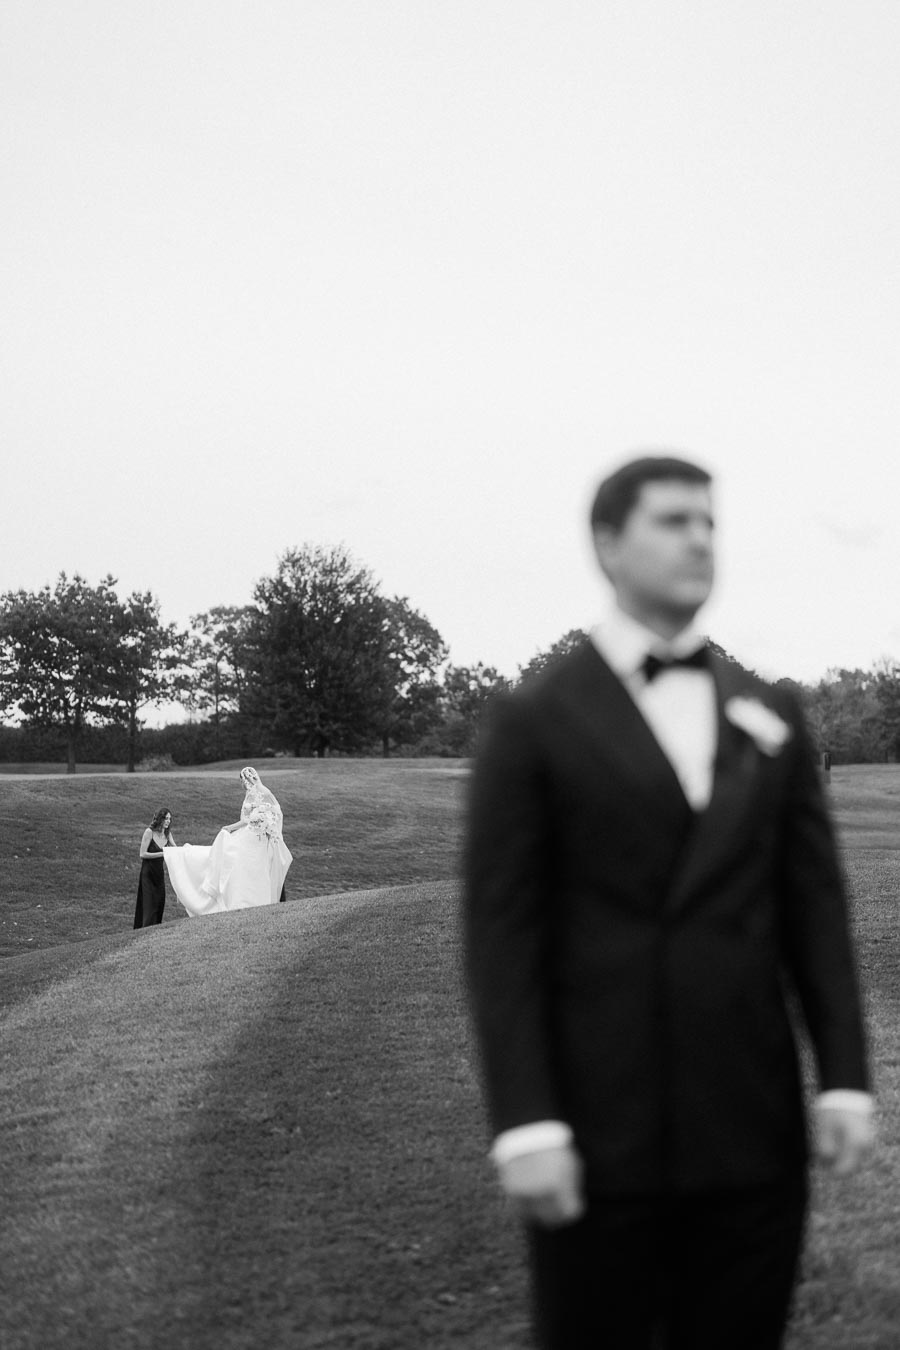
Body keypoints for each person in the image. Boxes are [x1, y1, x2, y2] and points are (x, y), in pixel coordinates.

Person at [463, 455, 875, 1350]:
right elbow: (503, 937)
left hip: (751, 1123)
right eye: (673, 521)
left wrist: (843, 1076)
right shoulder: (534, 719)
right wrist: (526, 1122)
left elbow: (813, 910)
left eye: (710, 522)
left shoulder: (770, 713)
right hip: (594, 1123)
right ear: (607, 543)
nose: (699, 539)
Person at [163, 767, 292, 916]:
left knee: (236, 860)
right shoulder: (254, 793)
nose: (241, 784)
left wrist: (265, 827)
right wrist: (232, 828)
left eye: (241, 781)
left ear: (245, 780)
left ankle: (248, 900)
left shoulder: (261, 793)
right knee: (236, 860)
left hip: (256, 838)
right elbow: (248, 819)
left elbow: (274, 811)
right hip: (252, 835)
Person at [133, 807, 175, 928]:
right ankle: (144, 929)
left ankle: (155, 930)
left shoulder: (167, 834)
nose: (168, 821)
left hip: (159, 874)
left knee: (159, 903)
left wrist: (187, 850)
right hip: (148, 874)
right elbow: (142, 854)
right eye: (166, 818)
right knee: (149, 905)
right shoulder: (149, 832)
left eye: (170, 819)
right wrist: (163, 853)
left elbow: (176, 849)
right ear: (160, 819)